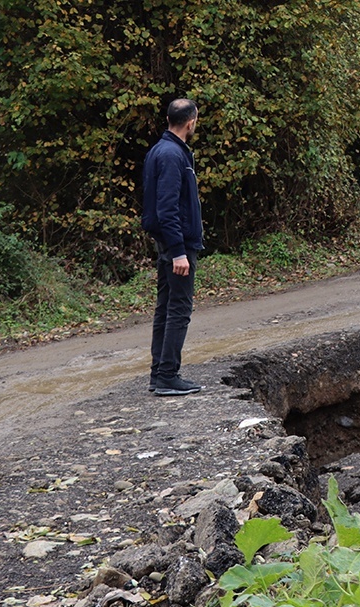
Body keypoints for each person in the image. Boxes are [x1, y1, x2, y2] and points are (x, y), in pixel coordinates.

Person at [142, 98, 205, 396]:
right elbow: (167, 209)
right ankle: (167, 374)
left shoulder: (162, 150)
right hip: (175, 245)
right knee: (178, 309)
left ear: (168, 119)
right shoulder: (171, 155)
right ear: (190, 122)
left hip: (168, 242)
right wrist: (179, 251)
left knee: (166, 308)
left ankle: (159, 374)